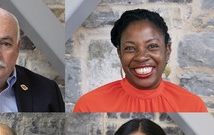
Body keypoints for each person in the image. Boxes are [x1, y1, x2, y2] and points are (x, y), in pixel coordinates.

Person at [73, 9, 207, 112]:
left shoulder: (193, 105)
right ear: (120, 54)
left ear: (167, 50)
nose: (141, 57)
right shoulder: (89, 105)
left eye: (152, 46)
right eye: (130, 48)